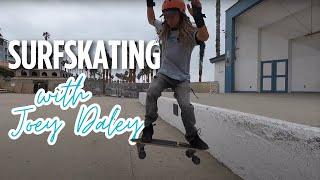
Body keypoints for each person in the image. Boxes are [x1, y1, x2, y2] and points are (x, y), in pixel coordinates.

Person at [142, 0, 209, 150]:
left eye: (172, 16)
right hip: (164, 74)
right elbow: (151, 19)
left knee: (185, 106)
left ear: (181, 15)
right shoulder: (163, 29)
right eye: (166, 16)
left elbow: (204, 36)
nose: (169, 20)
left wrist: (198, 17)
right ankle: (148, 127)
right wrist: (149, 4)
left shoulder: (190, 32)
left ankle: (192, 135)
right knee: (152, 92)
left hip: (182, 79)